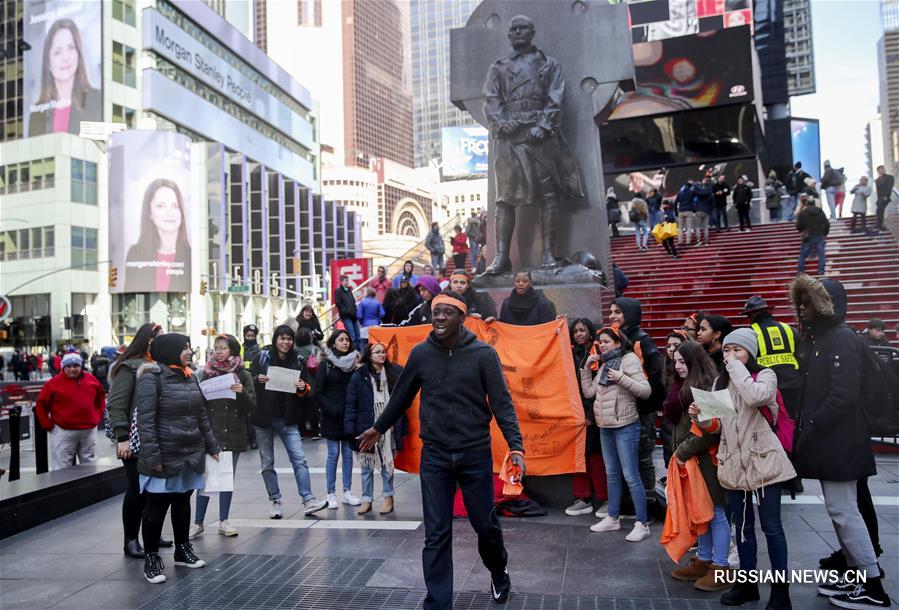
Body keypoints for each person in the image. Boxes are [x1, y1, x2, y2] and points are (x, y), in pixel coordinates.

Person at [356, 291, 526, 608]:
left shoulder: (483, 354)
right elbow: (401, 397)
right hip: (435, 455)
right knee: (436, 533)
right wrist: (379, 428)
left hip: (474, 453)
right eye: (436, 312)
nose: (440, 318)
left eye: (447, 312)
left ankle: (498, 570)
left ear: (462, 318)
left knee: (485, 525)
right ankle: (437, 603)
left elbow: (502, 404)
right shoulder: (422, 354)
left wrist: (516, 446)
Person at [790, 276, 891, 609]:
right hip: (832, 439)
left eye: (808, 301)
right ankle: (856, 574)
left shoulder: (841, 338)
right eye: (800, 301)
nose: (802, 308)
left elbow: (843, 395)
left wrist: (813, 423)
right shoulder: (824, 337)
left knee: (844, 511)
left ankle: (873, 586)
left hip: (841, 440)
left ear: (825, 304)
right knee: (840, 510)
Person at [692, 329, 796, 608]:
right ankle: (747, 585)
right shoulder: (720, 381)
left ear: (750, 352)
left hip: (764, 462)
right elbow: (716, 425)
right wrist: (700, 417)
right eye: (727, 350)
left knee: (772, 528)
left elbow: (755, 397)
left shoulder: (765, 375)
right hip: (733, 463)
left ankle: (781, 592)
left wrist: (736, 368)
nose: (730, 355)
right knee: (742, 528)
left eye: (737, 350)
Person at [481, 15, 583, 273]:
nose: (517, 32)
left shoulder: (549, 64)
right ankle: (501, 257)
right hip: (509, 138)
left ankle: (548, 254)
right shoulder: (499, 68)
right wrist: (501, 123)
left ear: (532, 32)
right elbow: (490, 99)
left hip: (539, 136)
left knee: (548, 195)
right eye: (513, 29)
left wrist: (544, 126)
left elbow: (556, 97)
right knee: (505, 199)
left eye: (522, 28)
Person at [133, 333, 218, 584]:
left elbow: (201, 415)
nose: (189, 352)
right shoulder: (151, 378)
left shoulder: (190, 375)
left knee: (182, 501)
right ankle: (151, 558)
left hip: (190, 452)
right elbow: (146, 423)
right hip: (164, 453)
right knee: (156, 507)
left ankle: (182, 550)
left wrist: (212, 445)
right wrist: (153, 457)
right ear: (170, 350)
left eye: (189, 347)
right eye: (185, 348)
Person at [666, 342, 730, 591]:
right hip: (693, 459)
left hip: (708, 460)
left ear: (695, 362)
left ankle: (721, 566)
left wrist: (682, 452)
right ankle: (703, 560)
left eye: (683, 361)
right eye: (675, 361)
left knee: (716, 513)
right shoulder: (683, 384)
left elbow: (714, 432)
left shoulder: (709, 384)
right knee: (700, 512)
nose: (677, 366)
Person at [579, 325, 652, 540]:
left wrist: (621, 378)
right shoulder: (604, 364)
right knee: (611, 474)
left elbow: (645, 391)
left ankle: (642, 523)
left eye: (606, 342)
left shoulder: (628, 360)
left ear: (618, 343)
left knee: (631, 475)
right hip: (606, 427)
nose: (601, 345)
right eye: (600, 342)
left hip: (626, 425)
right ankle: (612, 518)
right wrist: (586, 369)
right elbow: (589, 392)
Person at [251, 325, 329, 518]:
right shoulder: (263, 357)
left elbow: (307, 388)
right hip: (263, 417)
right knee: (267, 462)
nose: (285, 342)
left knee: (299, 459)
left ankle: (308, 499)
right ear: (275, 339)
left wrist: (302, 387)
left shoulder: (298, 359)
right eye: (282, 338)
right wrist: (257, 379)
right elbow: (248, 380)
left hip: (288, 417)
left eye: (289, 339)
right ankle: (275, 499)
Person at [107, 323, 166, 558]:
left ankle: (151, 534)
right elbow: (116, 405)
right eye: (157, 338)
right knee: (137, 490)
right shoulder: (129, 367)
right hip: (133, 439)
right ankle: (130, 539)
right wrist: (122, 438)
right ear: (148, 340)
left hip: (155, 437)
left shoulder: (161, 365)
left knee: (155, 491)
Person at [191, 334, 256, 540]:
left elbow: (252, 406)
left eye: (223, 348)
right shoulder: (206, 373)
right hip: (211, 433)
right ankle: (198, 522)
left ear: (233, 350)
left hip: (233, 433)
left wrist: (242, 392)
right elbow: (198, 404)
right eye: (216, 348)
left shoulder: (243, 374)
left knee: (227, 478)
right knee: (207, 478)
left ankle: (224, 520)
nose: (218, 352)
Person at [608, 298, 666, 517]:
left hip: (640, 410)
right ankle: (629, 504)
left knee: (643, 458)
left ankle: (649, 504)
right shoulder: (614, 339)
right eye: (611, 311)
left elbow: (656, 377)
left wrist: (645, 406)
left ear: (630, 313)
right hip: (621, 410)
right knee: (625, 459)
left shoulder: (642, 341)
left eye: (618, 312)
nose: (613, 316)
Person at [344, 342, 406, 515]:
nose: (381, 354)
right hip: (365, 426)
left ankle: (388, 497)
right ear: (369, 355)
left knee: (387, 463)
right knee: (366, 465)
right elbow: (351, 404)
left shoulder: (394, 373)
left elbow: (402, 399)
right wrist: (350, 429)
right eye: (377, 352)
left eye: (383, 351)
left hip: (388, 426)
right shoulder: (359, 376)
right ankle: (367, 499)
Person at [564, 318, 608, 518]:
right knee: (577, 457)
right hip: (574, 414)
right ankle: (582, 498)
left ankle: (605, 498)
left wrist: (590, 414)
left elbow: (599, 387)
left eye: (582, 330)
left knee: (596, 458)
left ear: (590, 331)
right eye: (575, 331)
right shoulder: (569, 353)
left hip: (593, 416)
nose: (579, 334)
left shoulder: (598, 353)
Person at [27, 19, 101, 136]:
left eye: (71, 48)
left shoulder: (95, 99)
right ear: (48, 62)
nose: (65, 58)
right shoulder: (37, 113)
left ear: (78, 54)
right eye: (57, 52)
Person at [314, 329, 362, 509]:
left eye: (347, 340)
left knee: (348, 455)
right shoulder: (326, 364)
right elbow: (318, 392)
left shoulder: (355, 363)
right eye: (341, 340)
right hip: (331, 416)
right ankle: (331, 493)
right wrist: (331, 409)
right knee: (333, 454)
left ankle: (347, 491)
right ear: (333, 342)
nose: (345, 342)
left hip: (349, 416)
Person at [35, 352, 105, 471]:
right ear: (63, 367)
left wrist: (97, 416)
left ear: (81, 366)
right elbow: (41, 404)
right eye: (68, 366)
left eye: (75, 366)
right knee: (61, 467)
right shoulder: (53, 383)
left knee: (90, 465)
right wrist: (47, 425)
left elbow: (101, 397)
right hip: (63, 431)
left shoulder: (91, 379)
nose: (72, 369)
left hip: (88, 431)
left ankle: (89, 484)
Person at [124, 179, 191, 293]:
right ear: (150, 213)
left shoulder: (191, 257)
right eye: (160, 206)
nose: (169, 213)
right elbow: (129, 296)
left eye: (175, 206)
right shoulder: (136, 254)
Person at [741, 297, 801, 418]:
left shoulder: (750, 333)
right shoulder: (790, 329)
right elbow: (801, 357)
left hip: (768, 387)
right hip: (793, 384)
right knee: (792, 421)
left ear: (751, 314)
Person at [659, 331, 686, 466]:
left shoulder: (688, 372)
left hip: (683, 424)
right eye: (668, 345)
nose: (671, 349)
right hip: (669, 424)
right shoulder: (665, 369)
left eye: (675, 345)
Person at [795, 196, 829, 276]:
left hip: (808, 236)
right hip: (819, 235)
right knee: (821, 254)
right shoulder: (820, 211)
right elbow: (826, 224)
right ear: (814, 203)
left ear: (807, 203)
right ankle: (821, 270)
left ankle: (800, 271)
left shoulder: (803, 213)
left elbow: (798, 226)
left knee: (802, 255)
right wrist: (825, 233)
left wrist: (802, 231)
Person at [334, 275, 360, 348]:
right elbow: (338, 303)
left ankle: (359, 351)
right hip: (346, 316)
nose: (347, 282)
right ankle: (353, 351)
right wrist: (346, 311)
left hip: (353, 316)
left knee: (358, 335)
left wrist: (354, 311)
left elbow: (353, 301)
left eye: (348, 281)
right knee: (352, 336)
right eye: (346, 281)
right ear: (341, 282)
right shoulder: (338, 291)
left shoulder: (349, 290)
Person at [356, 287, 385, 351]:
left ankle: (364, 356)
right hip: (376, 325)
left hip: (365, 325)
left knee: (364, 345)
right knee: (375, 345)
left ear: (367, 293)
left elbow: (359, 315)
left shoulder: (362, 303)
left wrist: (361, 322)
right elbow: (382, 314)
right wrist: (378, 320)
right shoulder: (377, 302)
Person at [692, 175, 715, 245]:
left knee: (697, 227)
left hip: (699, 210)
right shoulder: (710, 192)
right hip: (706, 211)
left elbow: (695, 191)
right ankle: (706, 241)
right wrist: (709, 210)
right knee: (705, 227)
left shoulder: (699, 191)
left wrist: (696, 185)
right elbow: (712, 203)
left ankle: (698, 240)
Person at [875, 165, 895, 231]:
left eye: (883, 169)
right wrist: (878, 199)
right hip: (880, 198)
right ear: (878, 171)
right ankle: (879, 224)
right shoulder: (877, 180)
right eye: (881, 169)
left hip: (886, 197)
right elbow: (878, 191)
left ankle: (881, 225)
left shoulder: (889, 177)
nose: (883, 170)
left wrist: (886, 196)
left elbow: (889, 187)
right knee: (878, 210)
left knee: (881, 209)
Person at [676, 181, 696, 245]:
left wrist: (676, 212)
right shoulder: (691, 192)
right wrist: (694, 211)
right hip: (689, 211)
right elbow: (694, 202)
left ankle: (680, 241)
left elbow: (675, 203)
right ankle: (688, 242)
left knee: (680, 228)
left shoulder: (680, 193)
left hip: (681, 211)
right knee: (689, 227)